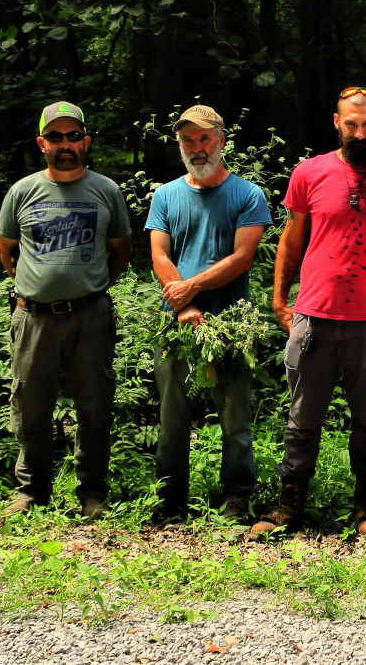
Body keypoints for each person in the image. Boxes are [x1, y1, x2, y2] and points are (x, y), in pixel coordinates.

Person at [252, 87, 366, 537]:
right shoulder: (310, 173)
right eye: (351, 124)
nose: (359, 132)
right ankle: (289, 504)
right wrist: (280, 300)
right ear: (336, 122)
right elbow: (292, 239)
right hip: (314, 315)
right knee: (303, 415)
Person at [0, 102, 132, 519]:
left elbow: (120, 251)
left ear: (86, 141)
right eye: (56, 137)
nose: (66, 144)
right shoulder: (22, 191)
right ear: (42, 144)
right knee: (31, 403)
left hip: (89, 315)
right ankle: (31, 490)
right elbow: (6, 250)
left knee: (94, 406)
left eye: (74, 136)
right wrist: (35, 287)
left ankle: (92, 492)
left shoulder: (106, 190)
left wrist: (88, 289)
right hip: (33, 317)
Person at [146, 105, 272, 522]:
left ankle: (237, 498)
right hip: (177, 323)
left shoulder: (248, 195)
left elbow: (242, 258)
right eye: (188, 140)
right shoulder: (165, 195)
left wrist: (191, 290)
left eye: (204, 139)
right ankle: (170, 501)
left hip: (232, 323)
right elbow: (159, 256)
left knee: (234, 417)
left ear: (221, 140)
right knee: (172, 417)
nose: (196, 148)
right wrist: (185, 305)